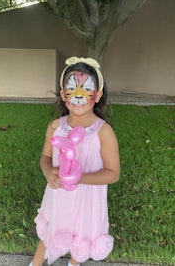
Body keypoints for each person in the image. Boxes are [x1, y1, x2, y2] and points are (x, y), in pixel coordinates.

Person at [29, 57, 120, 266]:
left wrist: (81, 178)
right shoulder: (55, 127)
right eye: (71, 88)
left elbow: (113, 173)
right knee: (51, 231)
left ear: (97, 95)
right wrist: (48, 171)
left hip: (87, 199)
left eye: (86, 89)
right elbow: (45, 158)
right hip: (59, 196)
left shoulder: (103, 132)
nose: (78, 95)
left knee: (81, 234)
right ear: (63, 94)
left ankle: (73, 263)